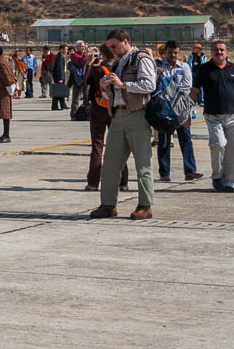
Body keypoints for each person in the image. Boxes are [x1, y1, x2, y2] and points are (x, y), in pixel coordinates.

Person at [90, 29, 158, 220]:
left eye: (114, 46)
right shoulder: (118, 62)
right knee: (111, 163)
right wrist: (106, 88)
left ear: (125, 41)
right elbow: (116, 90)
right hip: (118, 115)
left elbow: (149, 85)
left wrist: (123, 84)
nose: (112, 50)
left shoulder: (141, 59)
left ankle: (145, 205)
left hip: (137, 114)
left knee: (143, 164)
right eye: (110, 47)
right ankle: (108, 204)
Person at [157, 40, 202, 183]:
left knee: (186, 139)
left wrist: (166, 81)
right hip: (164, 109)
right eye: (170, 52)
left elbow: (187, 85)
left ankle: (190, 170)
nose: (173, 55)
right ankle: (164, 173)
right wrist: (164, 80)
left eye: (176, 52)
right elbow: (155, 86)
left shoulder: (185, 66)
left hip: (181, 108)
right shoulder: (158, 66)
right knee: (164, 141)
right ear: (165, 52)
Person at [192, 41, 234, 192]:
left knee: (231, 149)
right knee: (219, 144)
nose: (219, 52)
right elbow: (194, 91)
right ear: (211, 52)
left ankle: (229, 181)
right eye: (216, 50)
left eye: (222, 50)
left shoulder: (232, 68)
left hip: (232, 115)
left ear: (227, 52)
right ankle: (217, 176)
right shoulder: (204, 70)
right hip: (212, 116)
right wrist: (187, 113)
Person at [85, 44, 128, 192]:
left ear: (101, 54)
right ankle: (123, 181)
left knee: (97, 146)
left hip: (98, 109)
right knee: (120, 146)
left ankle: (93, 182)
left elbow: (86, 83)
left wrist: (89, 64)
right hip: (116, 109)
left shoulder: (97, 69)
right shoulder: (120, 69)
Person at [0, 44, 17, 144]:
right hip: (5, 89)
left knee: (5, 112)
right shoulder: (5, 61)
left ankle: (6, 135)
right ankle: (5, 134)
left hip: (3, 90)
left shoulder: (0, 63)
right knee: (5, 112)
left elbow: (6, 76)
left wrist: (9, 86)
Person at [68, 41, 90, 116]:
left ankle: (87, 114)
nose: (83, 48)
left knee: (87, 98)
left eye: (83, 46)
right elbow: (80, 62)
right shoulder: (74, 55)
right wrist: (86, 55)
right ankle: (73, 114)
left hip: (86, 78)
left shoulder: (86, 54)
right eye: (81, 46)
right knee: (76, 98)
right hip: (78, 79)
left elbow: (93, 62)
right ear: (77, 47)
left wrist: (93, 56)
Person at [50, 44, 68, 111]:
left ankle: (62, 105)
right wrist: (60, 78)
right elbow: (60, 68)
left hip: (57, 76)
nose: (66, 51)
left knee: (59, 91)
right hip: (59, 77)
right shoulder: (60, 57)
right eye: (65, 49)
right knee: (59, 91)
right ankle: (55, 106)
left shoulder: (58, 56)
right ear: (61, 49)